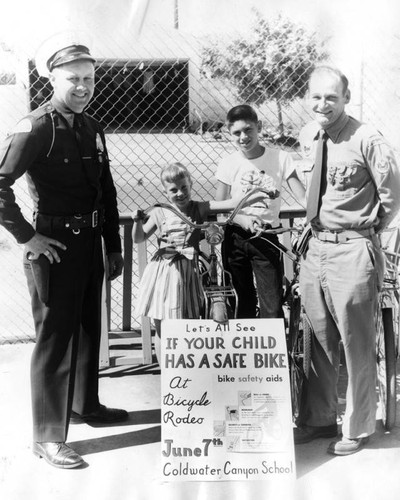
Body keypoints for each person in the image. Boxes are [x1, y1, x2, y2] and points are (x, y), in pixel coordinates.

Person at [0, 34, 127, 469]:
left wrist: (112, 244)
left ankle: (84, 406)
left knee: (90, 329)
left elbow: (105, 190)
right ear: (51, 79)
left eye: (89, 79)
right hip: (53, 247)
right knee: (55, 339)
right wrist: (27, 237)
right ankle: (48, 436)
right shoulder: (36, 126)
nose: (82, 87)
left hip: (90, 244)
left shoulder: (92, 127)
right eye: (73, 78)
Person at [294, 65, 400, 455]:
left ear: (346, 99)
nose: (323, 104)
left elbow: (392, 197)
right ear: (308, 97)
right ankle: (319, 419)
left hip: (353, 250)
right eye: (316, 97)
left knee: (357, 342)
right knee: (318, 340)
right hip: (316, 247)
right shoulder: (309, 135)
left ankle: (357, 427)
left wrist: (363, 233)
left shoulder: (367, 139)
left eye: (331, 98)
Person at [132, 162, 269, 363]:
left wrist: (259, 193)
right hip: (164, 271)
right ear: (165, 191)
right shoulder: (159, 212)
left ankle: (186, 371)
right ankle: (166, 375)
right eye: (173, 190)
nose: (180, 193)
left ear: (190, 184)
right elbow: (138, 238)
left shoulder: (200, 208)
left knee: (188, 321)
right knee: (162, 324)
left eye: (184, 187)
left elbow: (231, 204)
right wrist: (137, 221)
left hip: (188, 271)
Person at [215, 104, 305, 319]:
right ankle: (243, 351)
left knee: (272, 304)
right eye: (236, 133)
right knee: (240, 300)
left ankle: (272, 350)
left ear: (259, 127)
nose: (243, 137)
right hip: (236, 237)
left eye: (248, 130)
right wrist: (242, 219)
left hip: (267, 236)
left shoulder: (281, 158)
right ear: (229, 134)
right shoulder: (228, 163)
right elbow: (220, 209)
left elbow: (303, 196)